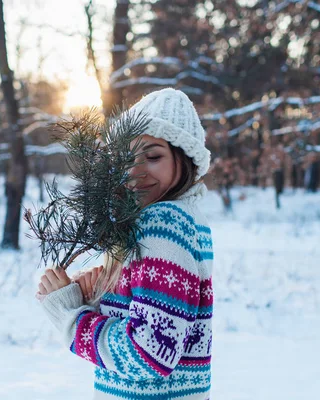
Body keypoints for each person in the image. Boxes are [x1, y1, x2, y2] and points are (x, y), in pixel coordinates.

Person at [37, 88, 214, 399]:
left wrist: (70, 317)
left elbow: (150, 354)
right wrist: (101, 299)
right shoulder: (186, 221)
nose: (134, 171)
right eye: (125, 157)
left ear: (185, 160)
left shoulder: (162, 224)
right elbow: (166, 327)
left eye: (153, 156)